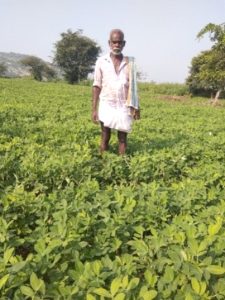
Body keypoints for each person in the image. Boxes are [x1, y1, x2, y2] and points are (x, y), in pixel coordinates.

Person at [92, 29, 140, 155]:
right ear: (109, 43)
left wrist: (136, 107)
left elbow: (134, 86)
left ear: (124, 44)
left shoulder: (131, 62)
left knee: (123, 138)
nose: (116, 45)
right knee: (105, 135)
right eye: (114, 42)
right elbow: (97, 85)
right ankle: (103, 164)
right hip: (106, 103)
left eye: (119, 42)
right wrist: (94, 109)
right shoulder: (101, 62)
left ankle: (121, 165)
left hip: (124, 104)